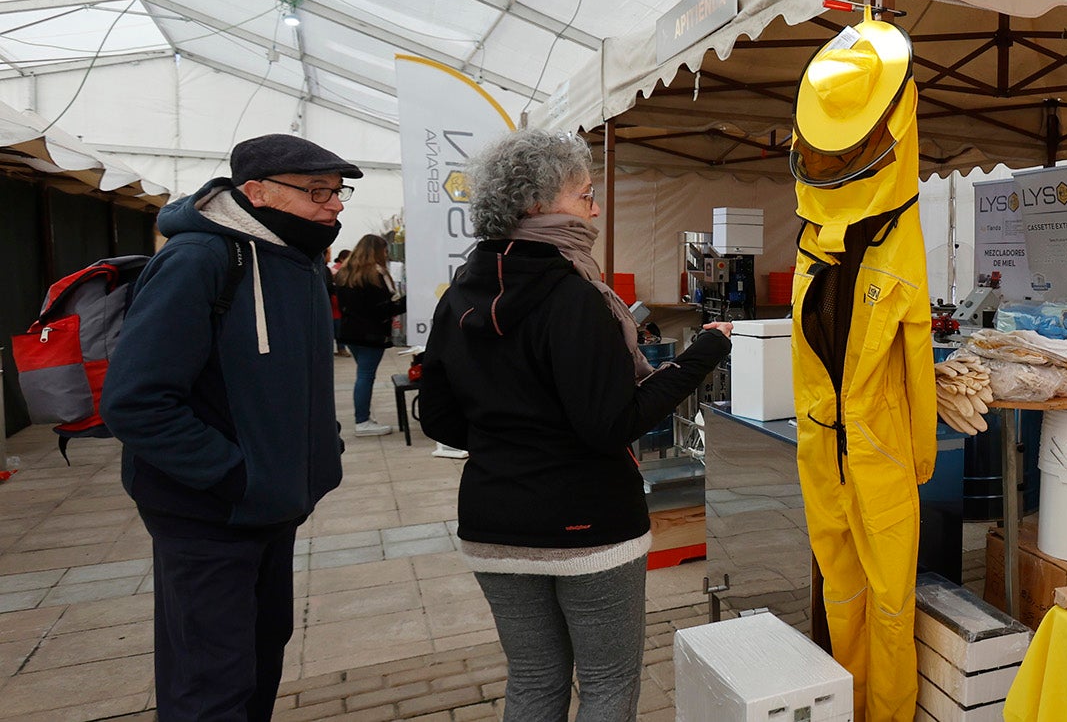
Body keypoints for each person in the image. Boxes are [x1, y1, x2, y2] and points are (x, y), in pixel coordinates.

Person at [418, 128, 732, 722]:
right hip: (588, 526)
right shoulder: (573, 297)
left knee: (534, 682)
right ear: (536, 206)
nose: (595, 207)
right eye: (585, 195)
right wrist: (702, 355)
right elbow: (610, 424)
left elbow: (438, 416)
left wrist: (509, 441)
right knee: (608, 685)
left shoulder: (458, 293)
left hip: (491, 520)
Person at [102, 133, 359, 721]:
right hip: (209, 515)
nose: (335, 205)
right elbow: (136, 400)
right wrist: (235, 475)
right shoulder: (200, 259)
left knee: (259, 657)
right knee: (210, 683)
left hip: (274, 504)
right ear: (256, 192)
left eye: (337, 191)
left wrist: (318, 455)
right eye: (316, 191)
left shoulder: (298, 260)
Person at [335, 234, 404, 437]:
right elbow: (383, 309)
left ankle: (363, 419)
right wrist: (408, 302)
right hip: (371, 334)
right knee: (365, 376)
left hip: (351, 333)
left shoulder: (346, 273)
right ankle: (362, 421)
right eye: (384, 250)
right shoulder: (375, 275)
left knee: (363, 375)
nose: (386, 254)